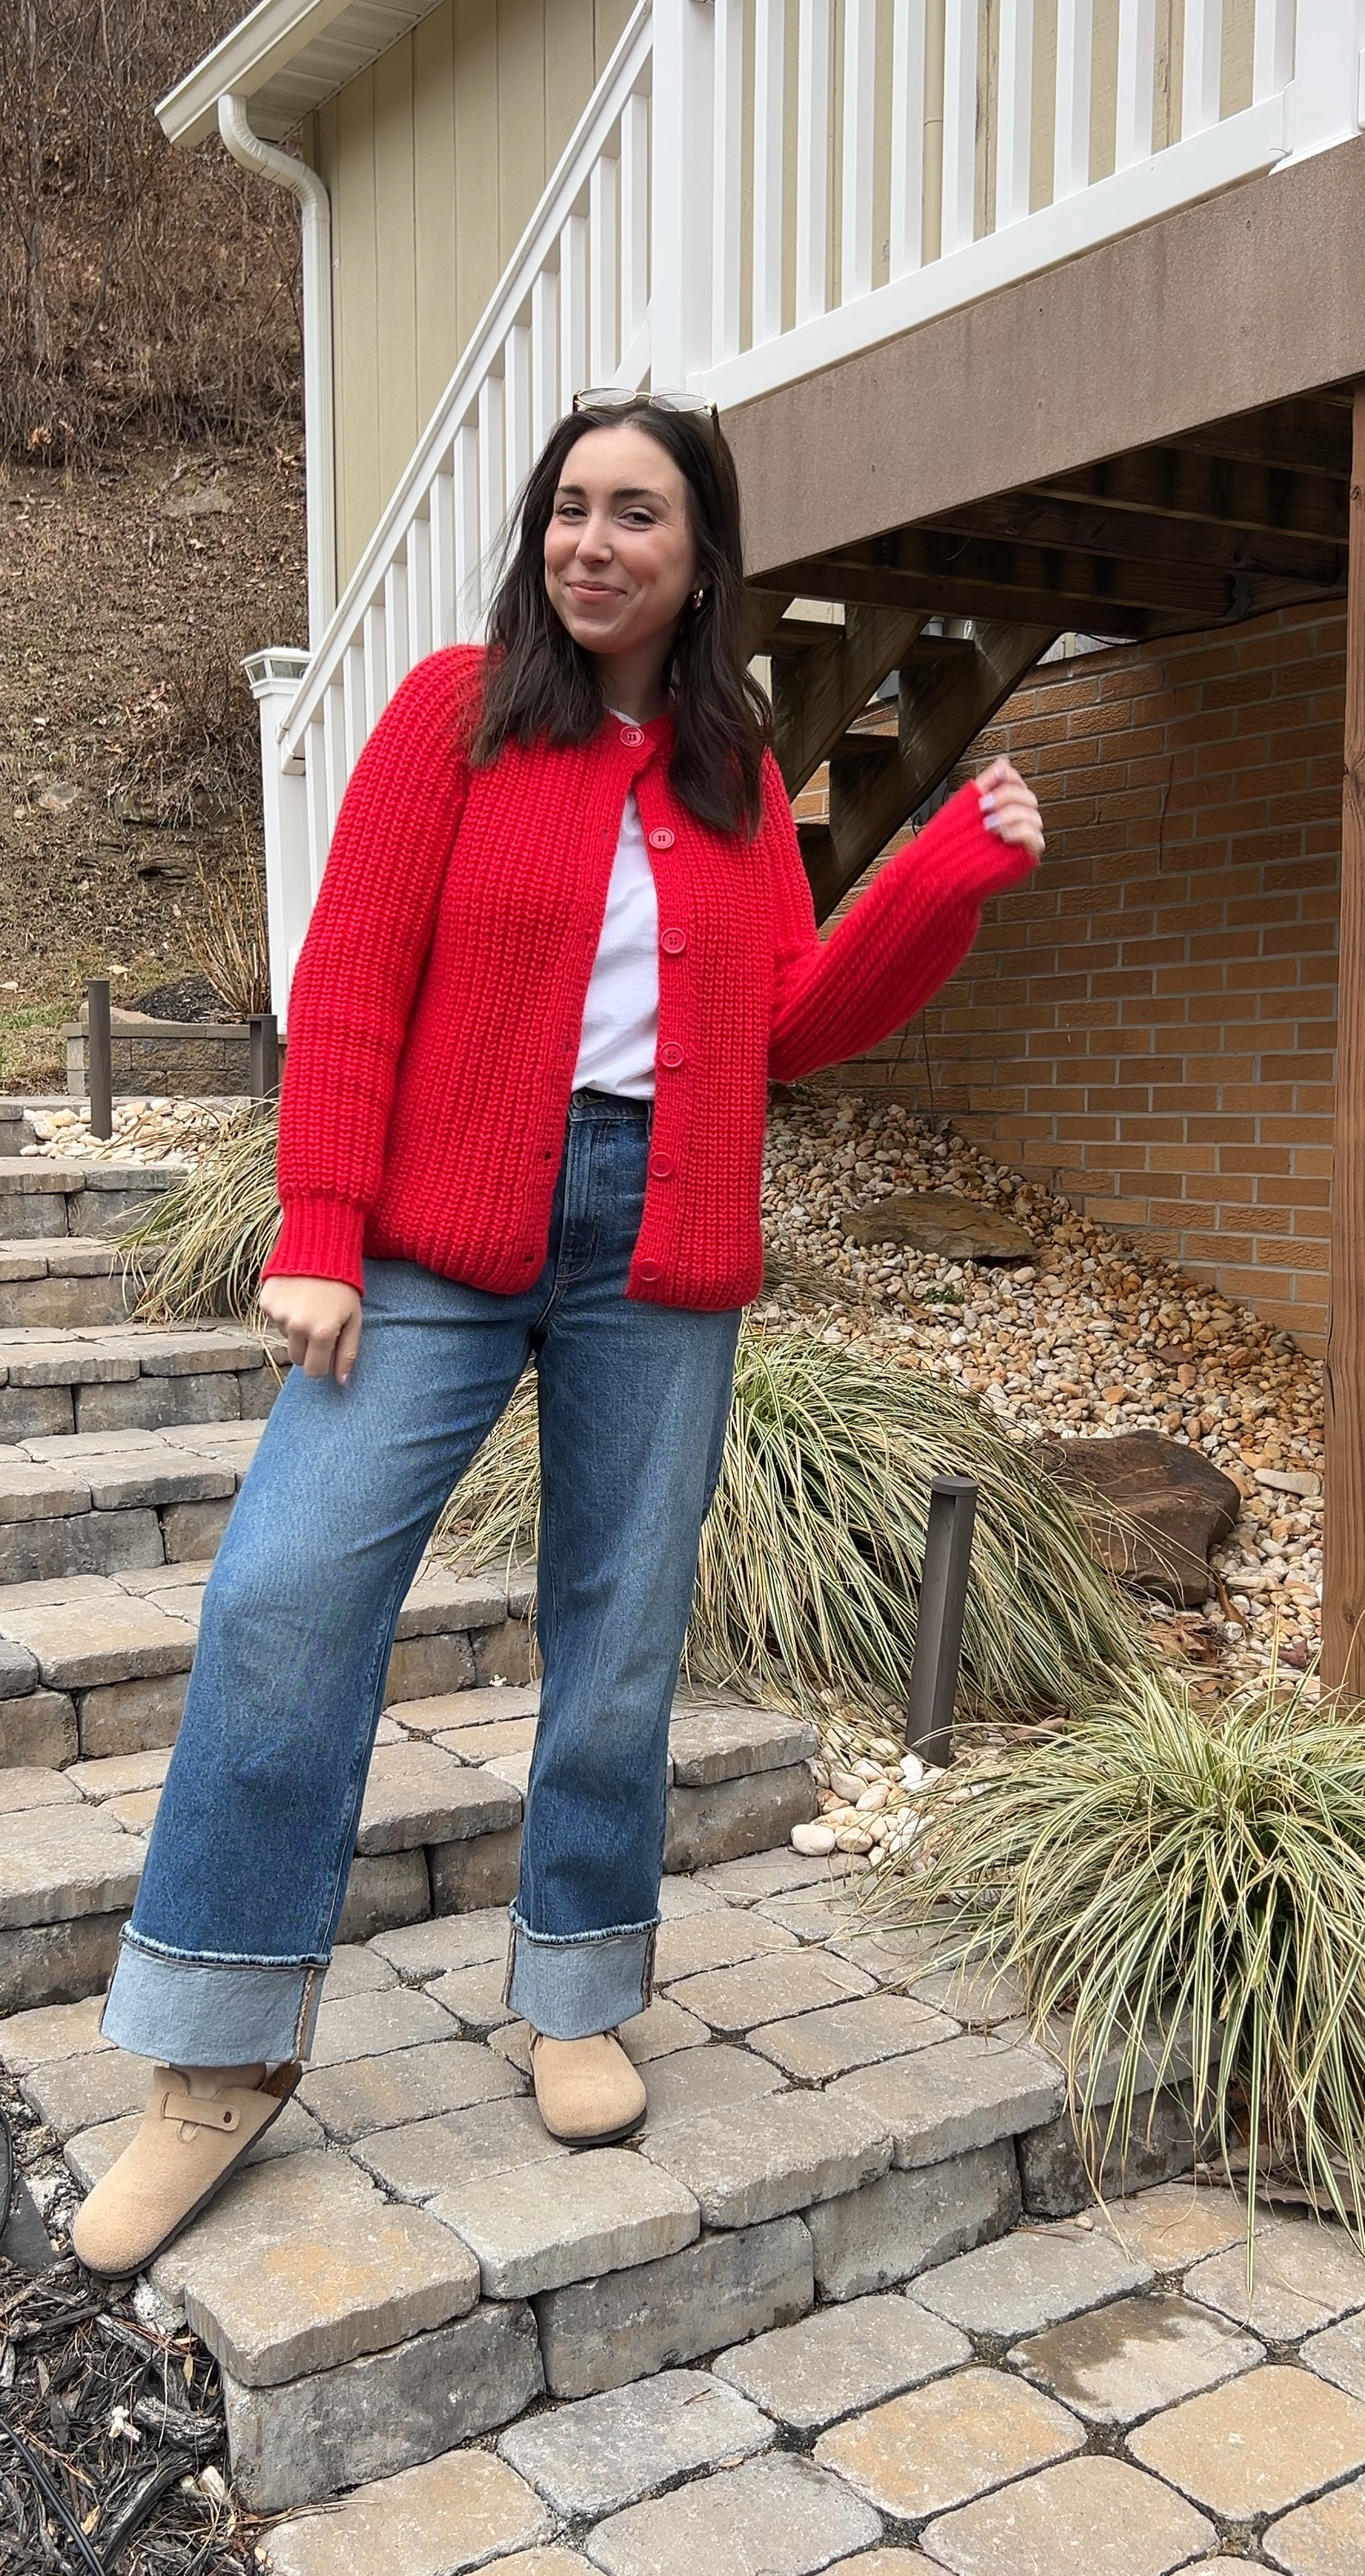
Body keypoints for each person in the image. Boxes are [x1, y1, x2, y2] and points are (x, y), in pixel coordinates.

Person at [71, 396, 1043, 2276]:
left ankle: (580, 1984)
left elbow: (787, 1023)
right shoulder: (455, 713)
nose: (593, 543)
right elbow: (353, 975)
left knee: (619, 1632)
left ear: (702, 553)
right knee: (283, 1595)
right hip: (434, 1238)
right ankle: (216, 2052)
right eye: (570, 509)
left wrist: (936, 877)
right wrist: (322, 1227)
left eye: (636, 514)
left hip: (654, 1241)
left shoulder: (734, 774)